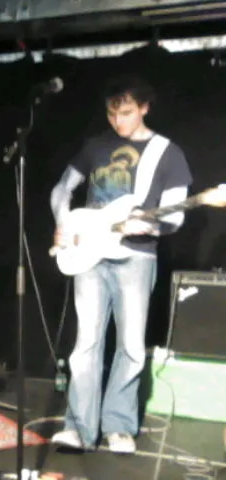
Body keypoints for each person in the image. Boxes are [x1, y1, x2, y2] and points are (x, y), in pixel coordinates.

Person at [49, 74, 192, 453]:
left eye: (126, 113)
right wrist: (64, 222)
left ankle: (118, 425)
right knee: (86, 343)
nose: (118, 122)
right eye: (112, 114)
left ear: (145, 107)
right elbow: (62, 188)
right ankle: (79, 428)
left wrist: (149, 225)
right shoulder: (96, 145)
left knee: (130, 345)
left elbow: (176, 215)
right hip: (89, 253)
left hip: (136, 257)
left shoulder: (167, 153)